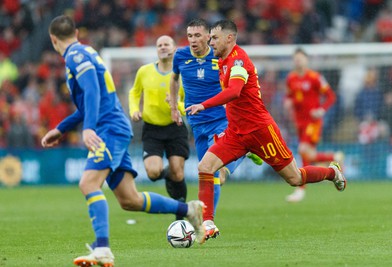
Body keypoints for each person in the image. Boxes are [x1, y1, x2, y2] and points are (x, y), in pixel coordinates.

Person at [42, 15, 204, 267]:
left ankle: (103, 249)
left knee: (88, 183)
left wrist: (89, 129)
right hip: (114, 127)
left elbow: (93, 92)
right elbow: (88, 102)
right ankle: (189, 210)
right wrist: (61, 129)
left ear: (53, 39)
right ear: (75, 31)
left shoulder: (75, 56)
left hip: (108, 130)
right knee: (130, 200)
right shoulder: (86, 52)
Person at [185, 19, 346, 244]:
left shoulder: (239, 61)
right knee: (205, 167)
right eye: (210, 38)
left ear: (229, 38)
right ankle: (208, 224)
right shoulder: (221, 61)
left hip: (261, 131)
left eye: (214, 38)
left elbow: (234, 91)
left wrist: (204, 104)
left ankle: (333, 173)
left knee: (295, 177)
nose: (210, 42)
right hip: (236, 133)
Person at [169, 18, 262, 241]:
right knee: (208, 174)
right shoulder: (180, 56)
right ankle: (209, 221)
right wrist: (174, 107)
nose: (193, 40)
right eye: (190, 36)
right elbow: (173, 80)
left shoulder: (219, 57)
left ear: (208, 37)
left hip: (221, 120)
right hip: (197, 124)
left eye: (198, 35)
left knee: (216, 172)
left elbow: (236, 85)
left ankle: (207, 221)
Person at [129, 35, 189, 220]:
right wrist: (134, 110)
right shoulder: (144, 71)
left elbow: (188, 105)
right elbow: (134, 92)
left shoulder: (182, 74)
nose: (163, 47)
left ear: (174, 48)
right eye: (159, 45)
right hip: (152, 129)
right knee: (153, 173)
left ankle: (181, 213)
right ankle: (168, 176)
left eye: (166, 44)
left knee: (178, 172)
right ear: (156, 49)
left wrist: (176, 104)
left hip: (175, 126)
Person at [284, 48, 344, 203]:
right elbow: (290, 96)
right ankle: (334, 157)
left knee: (303, 150)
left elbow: (331, 96)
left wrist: (321, 110)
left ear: (306, 60)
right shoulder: (291, 78)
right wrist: (288, 102)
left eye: (300, 58)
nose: (298, 61)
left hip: (313, 121)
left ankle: (301, 188)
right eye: (295, 59)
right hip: (299, 122)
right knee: (309, 154)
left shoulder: (315, 77)